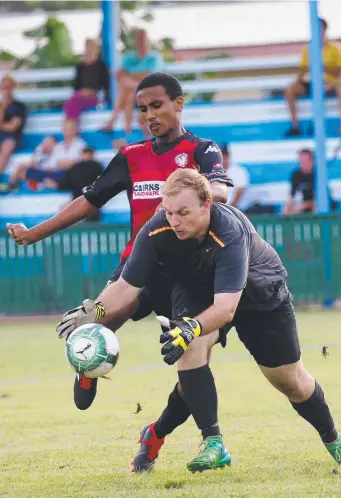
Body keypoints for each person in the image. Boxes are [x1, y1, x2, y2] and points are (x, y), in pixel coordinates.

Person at [57, 168, 341, 473]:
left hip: (258, 292)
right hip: (197, 290)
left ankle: (333, 439)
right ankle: (213, 442)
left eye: (183, 212)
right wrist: (94, 312)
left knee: (291, 381)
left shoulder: (230, 231)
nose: (174, 220)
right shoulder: (156, 229)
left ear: (207, 205)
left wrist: (192, 327)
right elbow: (125, 288)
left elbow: (227, 307)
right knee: (188, 346)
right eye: (169, 211)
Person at [7, 72, 233, 415]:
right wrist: (36, 232)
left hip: (189, 272)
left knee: (192, 362)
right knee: (93, 323)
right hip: (138, 265)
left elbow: (220, 191)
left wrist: (192, 190)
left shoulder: (201, 150)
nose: (150, 115)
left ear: (178, 104)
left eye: (157, 105)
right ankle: (88, 368)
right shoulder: (131, 155)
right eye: (143, 109)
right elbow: (89, 201)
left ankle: (158, 437)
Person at [284, 18, 341, 137]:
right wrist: (298, 80)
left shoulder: (335, 48)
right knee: (290, 89)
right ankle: (295, 126)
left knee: (322, 90)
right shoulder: (308, 48)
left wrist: (323, 67)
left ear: (325, 30)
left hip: (329, 82)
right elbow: (303, 69)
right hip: (311, 82)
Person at [101, 29, 163, 138]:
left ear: (147, 40)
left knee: (127, 85)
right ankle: (127, 130)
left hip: (148, 91)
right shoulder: (129, 57)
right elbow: (119, 75)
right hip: (133, 93)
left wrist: (130, 76)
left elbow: (150, 76)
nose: (141, 41)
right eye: (139, 38)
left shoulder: (154, 57)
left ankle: (114, 121)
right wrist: (135, 77)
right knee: (128, 93)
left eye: (143, 38)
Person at [43, 147, 103, 221]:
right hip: (91, 201)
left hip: (81, 200)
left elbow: (67, 182)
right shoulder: (96, 167)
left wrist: (56, 185)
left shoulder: (79, 167)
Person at [64, 38, 110, 124]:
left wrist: (91, 92)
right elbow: (76, 86)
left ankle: (71, 128)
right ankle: (70, 127)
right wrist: (82, 92)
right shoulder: (80, 66)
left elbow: (105, 86)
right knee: (71, 103)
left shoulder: (101, 66)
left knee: (73, 102)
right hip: (80, 96)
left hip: (94, 97)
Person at [0, 75, 27, 175]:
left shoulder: (20, 106)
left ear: (13, 88)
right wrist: (3, 107)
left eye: (8, 87)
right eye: (4, 87)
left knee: (7, 145)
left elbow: (12, 127)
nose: (6, 90)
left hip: (12, 138)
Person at [220, 144, 249, 208]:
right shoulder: (210, 171)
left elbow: (240, 191)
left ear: (229, 156)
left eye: (225, 156)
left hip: (236, 209)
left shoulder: (238, 171)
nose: (223, 159)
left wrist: (230, 209)